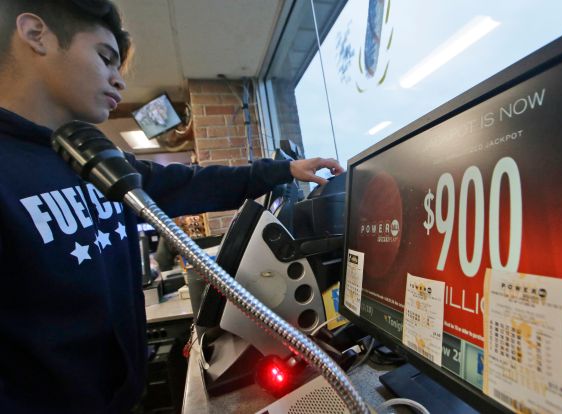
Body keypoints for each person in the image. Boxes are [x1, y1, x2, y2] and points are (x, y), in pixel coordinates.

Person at [0, 1, 343, 412]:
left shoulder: (95, 160)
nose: (118, 82)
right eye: (105, 58)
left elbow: (193, 183)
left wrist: (284, 169)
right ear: (36, 34)